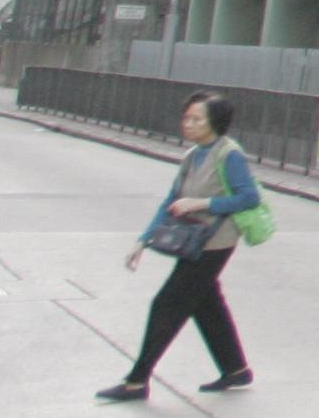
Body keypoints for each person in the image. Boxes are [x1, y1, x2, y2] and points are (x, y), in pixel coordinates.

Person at [98, 93, 258, 402]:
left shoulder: (229, 155)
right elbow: (171, 200)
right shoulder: (193, 155)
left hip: (215, 242)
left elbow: (248, 197)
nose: (188, 124)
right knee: (206, 303)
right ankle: (235, 368)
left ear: (215, 122)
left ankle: (136, 382)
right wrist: (143, 240)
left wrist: (202, 203)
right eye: (187, 118)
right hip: (194, 240)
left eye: (197, 119)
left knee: (167, 305)